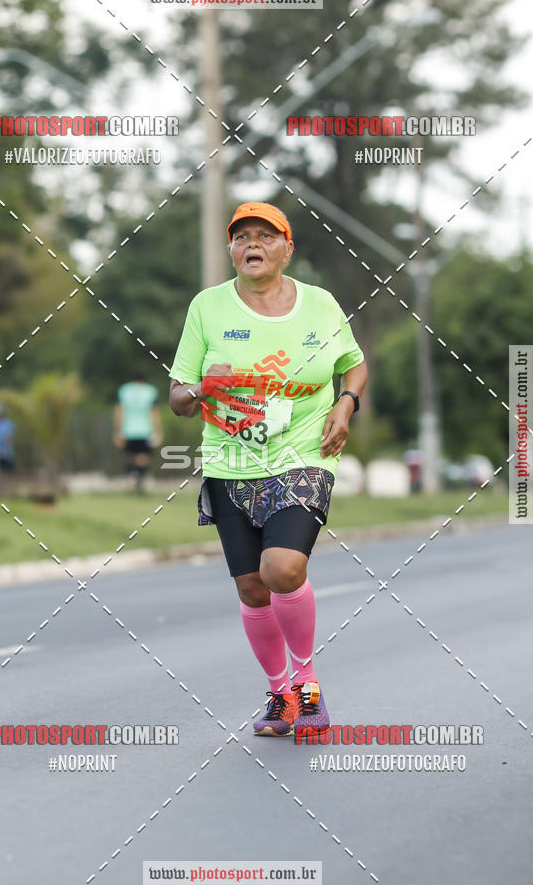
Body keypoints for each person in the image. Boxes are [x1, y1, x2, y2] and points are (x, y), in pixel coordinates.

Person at [169, 201, 367, 736]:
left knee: (283, 570)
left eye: (264, 235)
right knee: (254, 588)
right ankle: (280, 694)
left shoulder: (321, 305)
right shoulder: (207, 308)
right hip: (230, 462)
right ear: (232, 249)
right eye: (241, 237)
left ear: (286, 249)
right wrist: (205, 387)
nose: (251, 244)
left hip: (302, 454)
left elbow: (354, 361)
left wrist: (345, 404)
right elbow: (178, 399)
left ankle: (306, 688)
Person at [114, 373, 163, 490]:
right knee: (142, 457)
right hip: (145, 430)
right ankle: (139, 480)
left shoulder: (124, 390)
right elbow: (154, 412)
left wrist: (116, 431)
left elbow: (119, 411)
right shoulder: (150, 391)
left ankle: (132, 477)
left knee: (129, 456)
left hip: (128, 430)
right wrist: (158, 431)